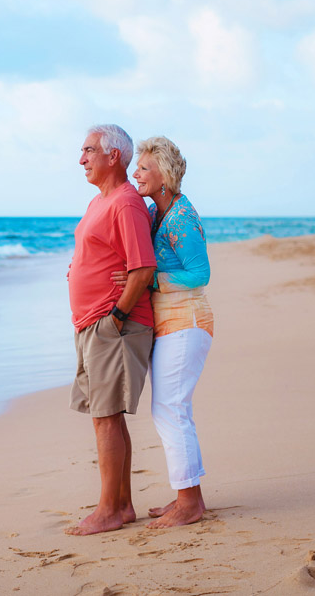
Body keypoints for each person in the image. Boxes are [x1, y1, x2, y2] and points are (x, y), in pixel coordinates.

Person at [113, 135, 214, 528]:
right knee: (173, 409)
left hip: (187, 321)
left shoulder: (182, 218)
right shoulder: (159, 213)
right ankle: (186, 497)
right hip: (172, 323)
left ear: (165, 176)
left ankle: (189, 503)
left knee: (170, 409)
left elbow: (200, 273)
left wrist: (153, 278)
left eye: (143, 168)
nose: (135, 173)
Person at [64, 124, 157, 536]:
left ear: (113, 155)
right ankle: (121, 505)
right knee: (107, 418)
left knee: (106, 418)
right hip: (92, 325)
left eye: (88, 150)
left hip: (114, 326)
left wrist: (115, 319)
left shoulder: (125, 203)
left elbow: (143, 268)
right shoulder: (97, 202)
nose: (81, 159)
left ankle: (108, 511)